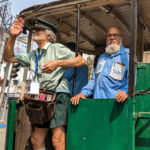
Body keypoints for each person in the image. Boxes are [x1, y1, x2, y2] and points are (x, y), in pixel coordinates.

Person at [3, 17, 87, 150]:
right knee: (36, 140)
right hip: (40, 98)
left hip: (58, 94)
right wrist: (12, 37)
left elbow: (81, 61)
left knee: (57, 140)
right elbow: (8, 58)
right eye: (34, 29)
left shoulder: (57, 48)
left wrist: (58, 63)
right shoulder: (32, 55)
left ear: (49, 35)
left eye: (38, 29)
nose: (35, 30)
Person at [71, 26, 129, 105]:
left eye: (115, 35)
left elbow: (132, 80)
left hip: (116, 103)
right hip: (98, 102)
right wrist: (83, 93)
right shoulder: (102, 57)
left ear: (121, 38)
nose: (112, 37)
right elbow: (94, 80)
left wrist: (125, 92)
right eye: (109, 35)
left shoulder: (127, 56)